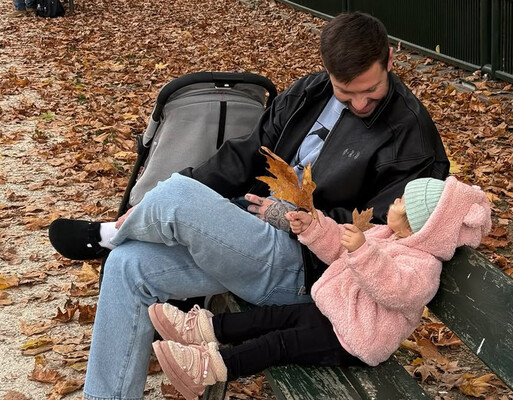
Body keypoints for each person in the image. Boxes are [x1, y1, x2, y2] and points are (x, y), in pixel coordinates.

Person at [48, 12, 450, 400]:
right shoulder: (310, 93)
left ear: (389, 60)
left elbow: (384, 229)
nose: (360, 103)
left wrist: (299, 220)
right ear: (328, 72)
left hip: (311, 268)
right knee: (127, 265)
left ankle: (110, 233)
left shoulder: (409, 135)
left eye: (370, 90)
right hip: (252, 237)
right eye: (346, 92)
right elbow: (247, 154)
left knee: (176, 197)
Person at [146, 176, 492, 400]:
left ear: (418, 226)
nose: (395, 202)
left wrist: (363, 252)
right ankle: (203, 328)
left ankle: (208, 368)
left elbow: (396, 291)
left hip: (354, 340)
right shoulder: (385, 235)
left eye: (403, 202)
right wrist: (312, 228)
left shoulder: (424, 265)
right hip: (333, 313)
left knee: (279, 343)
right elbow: (339, 245)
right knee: (273, 318)